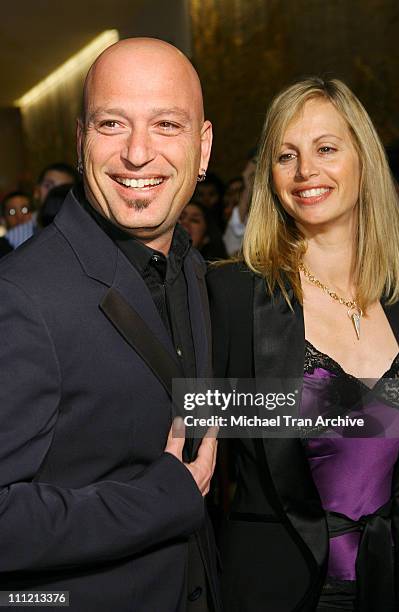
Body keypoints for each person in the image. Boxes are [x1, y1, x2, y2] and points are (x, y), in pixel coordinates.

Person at [0, 37, 221, 612]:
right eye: (112, 124)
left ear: (203, 148)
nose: (138, 153)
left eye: (167, 124)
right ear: (81, 142)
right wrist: (162, 498)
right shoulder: (22, 295)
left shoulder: (189, 267)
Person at [207, 77, 399, 611]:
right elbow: (195, 445)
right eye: (286, 155)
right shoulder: (232, 296)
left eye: (326, 148)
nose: (306, 172)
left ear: (363, 159)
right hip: (278, 591)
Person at [6, 163, 78, 249]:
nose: (55, 193)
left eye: (63, 188)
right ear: (36, 192)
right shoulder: (12, 240)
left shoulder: (82, 233)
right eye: (48, 186)